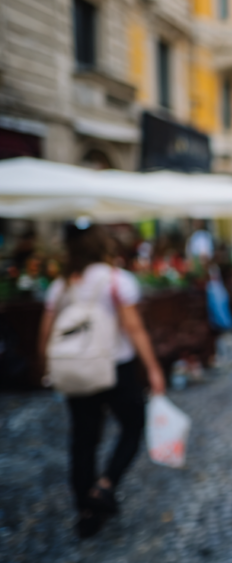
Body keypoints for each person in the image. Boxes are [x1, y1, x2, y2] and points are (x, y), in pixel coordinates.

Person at [38, 222, 166, 539]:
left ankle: (86, 510)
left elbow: (45, 333)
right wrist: (152, 368)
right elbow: (134, 328)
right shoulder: (116, 281)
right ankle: (105, 485)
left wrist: (47, 366)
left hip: (76, 369)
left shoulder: (62, 286)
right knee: (133, 425)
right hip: (115, 367)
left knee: (83, 439)